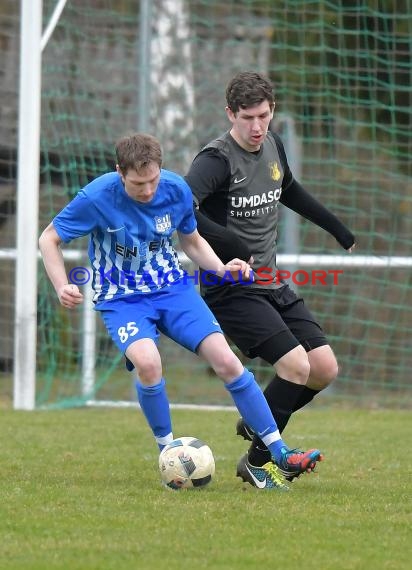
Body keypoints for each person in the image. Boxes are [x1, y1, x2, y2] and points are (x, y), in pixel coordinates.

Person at [38, 132, 324, 490]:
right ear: (119, 173)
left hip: (174, 290)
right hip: (122, 299)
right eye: (138, 184)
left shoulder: (175, 190)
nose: (147, 191)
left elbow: (191, 241)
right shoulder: (97, 197)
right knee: (148, 363)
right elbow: (49, 237)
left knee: (228, 362)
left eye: (153, 180)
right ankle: (168, 455)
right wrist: (62, 283)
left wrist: (221, 269)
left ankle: (278, 452)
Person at [185, 71, 356, 487]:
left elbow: (290, 190)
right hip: (230, 288)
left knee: (323, 369)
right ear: (230, 113)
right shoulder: (215, 160)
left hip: (271, 282)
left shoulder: (273, 144)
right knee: (295, 366)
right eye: (248, 117)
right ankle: (260, 464)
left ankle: (258, 419)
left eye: (263, 115)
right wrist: (232, 248)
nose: (257, 126)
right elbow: (184, 211)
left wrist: (337, 228)